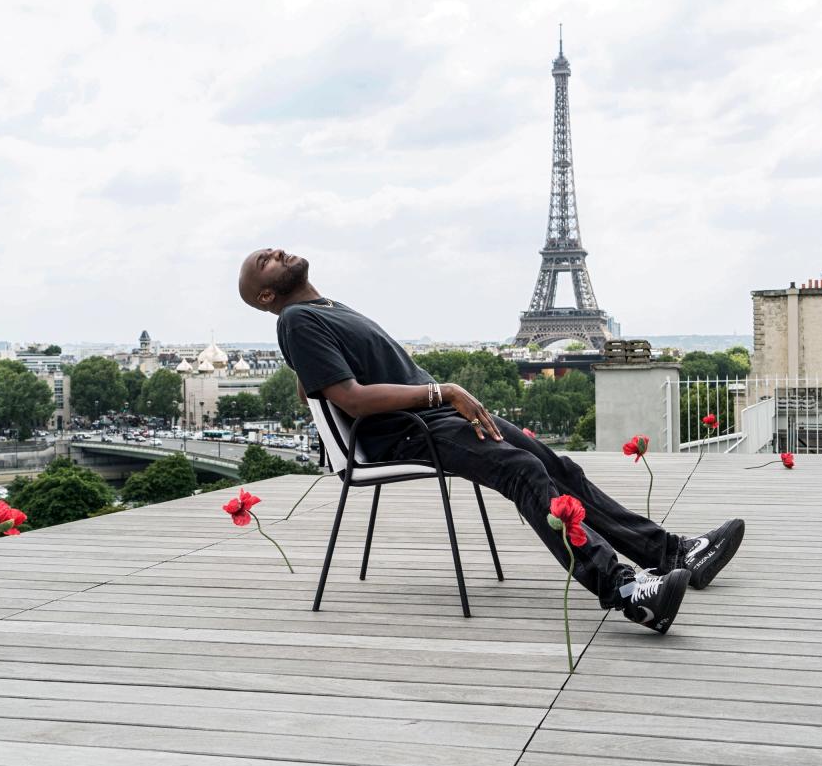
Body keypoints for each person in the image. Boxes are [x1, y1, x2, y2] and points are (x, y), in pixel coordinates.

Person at [238, 248, 744, 633]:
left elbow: (320, 381)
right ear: (266, 296)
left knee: (556, 465)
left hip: (432, 418)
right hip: (410, 434)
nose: (275, 252)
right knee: (521, 471)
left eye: (272, 249)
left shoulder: (321, 311)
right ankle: (625, 589)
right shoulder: (296, 319)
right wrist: (443, 390)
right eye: (264, 262)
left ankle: (672, 553)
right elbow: (350, 399)